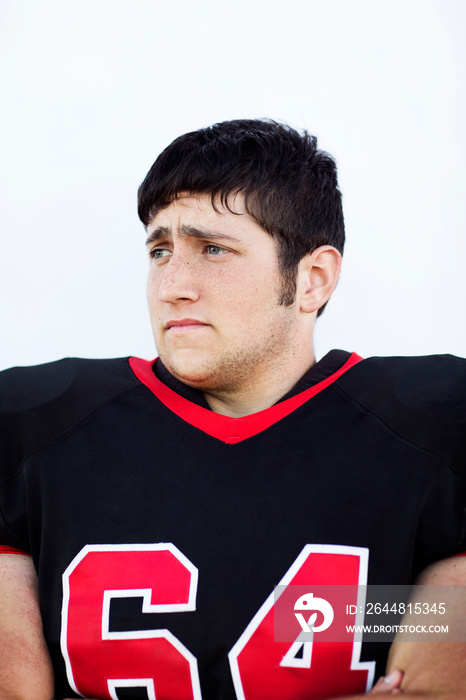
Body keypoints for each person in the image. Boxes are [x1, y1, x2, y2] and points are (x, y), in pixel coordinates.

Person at [0, 119, 465, 700]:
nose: (173, 285)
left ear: (313, 278)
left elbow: (422, 672)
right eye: (160, 250)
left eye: (213, 249)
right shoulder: (39, 428)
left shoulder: (427, 429)